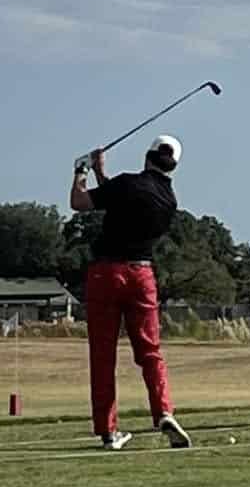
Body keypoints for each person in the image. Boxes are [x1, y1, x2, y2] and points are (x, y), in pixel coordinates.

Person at [70, 135, 193, 450]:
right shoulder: (169, 201)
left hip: (105, 273)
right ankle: (163, 410)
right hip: (142, 275)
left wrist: (81, 171)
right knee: (150, 352)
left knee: (103, 355)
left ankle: (109, 433)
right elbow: (124, 201)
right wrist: (101, 174)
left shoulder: (126, 183)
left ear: (148, 155)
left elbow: (80, 203)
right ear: (174, 165)